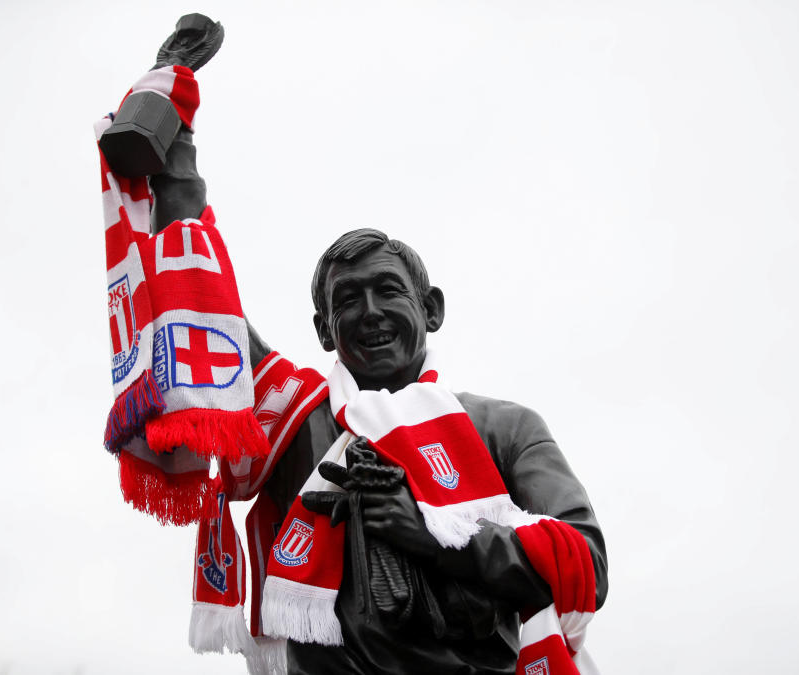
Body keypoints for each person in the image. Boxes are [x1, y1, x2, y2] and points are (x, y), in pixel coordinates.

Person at [144, 113, 608, 672]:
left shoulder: (505, 428)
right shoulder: (298, 422)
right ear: (324, 331)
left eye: (388, 290)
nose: (369, 313)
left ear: (431, 309)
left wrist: (440, 534)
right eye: (347, 300)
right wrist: (176, 150)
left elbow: (586, 564)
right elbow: (202, 306)